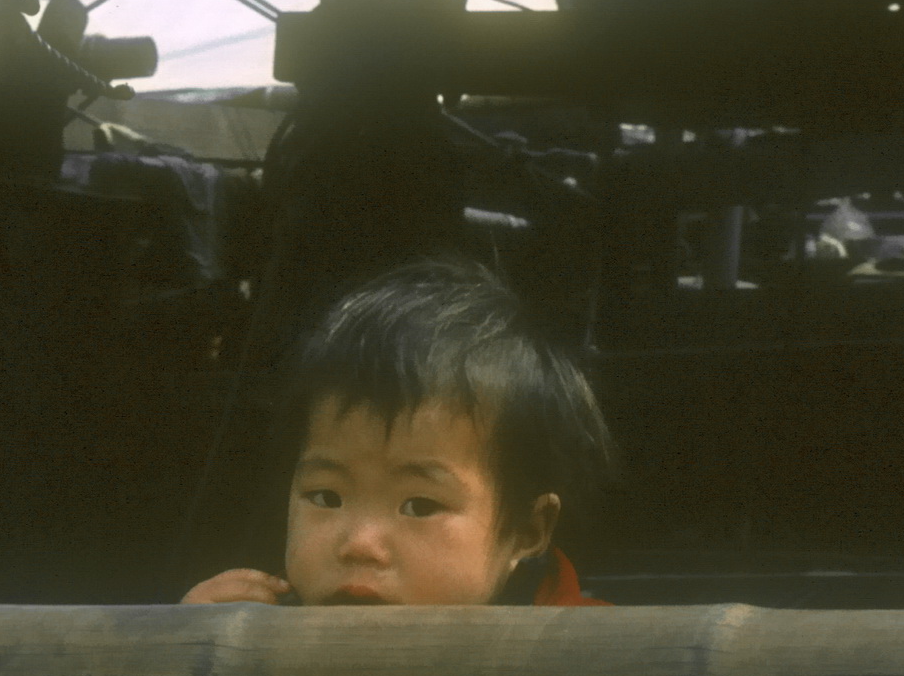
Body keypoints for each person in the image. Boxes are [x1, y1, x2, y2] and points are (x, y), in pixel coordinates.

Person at [182, 258, 615, 607]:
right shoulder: (257, 628)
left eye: (419, 505)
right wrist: (194, 647)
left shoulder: (584, 656)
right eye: (326, 497)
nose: (359, 544)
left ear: (526, 530)